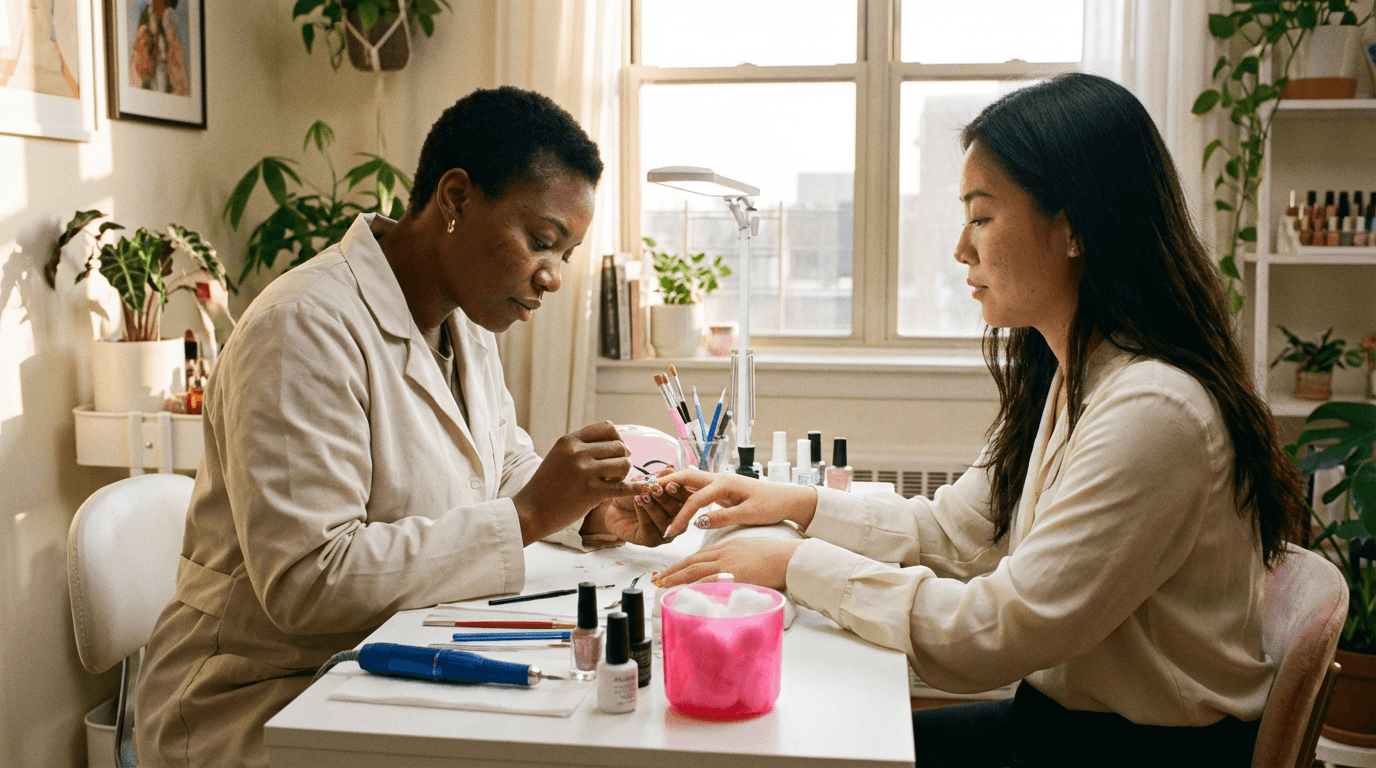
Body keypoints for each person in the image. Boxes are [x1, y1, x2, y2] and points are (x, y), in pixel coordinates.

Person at [652, 73, 1307, 767]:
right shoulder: (1075, 376)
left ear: (1076, 227)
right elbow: (958, 531)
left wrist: (795, 563)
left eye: (982, 217)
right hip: (1068, 731)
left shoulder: (1154, 411)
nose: (961, 249)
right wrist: (797, 504)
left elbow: (994, 633)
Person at [135, 86, 686, 768]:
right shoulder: (301, 327)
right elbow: (308, 580)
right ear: (454, 199)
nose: (551, 278)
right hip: (259, 693)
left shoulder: (466, 320)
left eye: (564, 255)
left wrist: (594, 513)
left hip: (380, 656)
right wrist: (528, 515)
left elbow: (497, 468)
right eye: (541, 242)